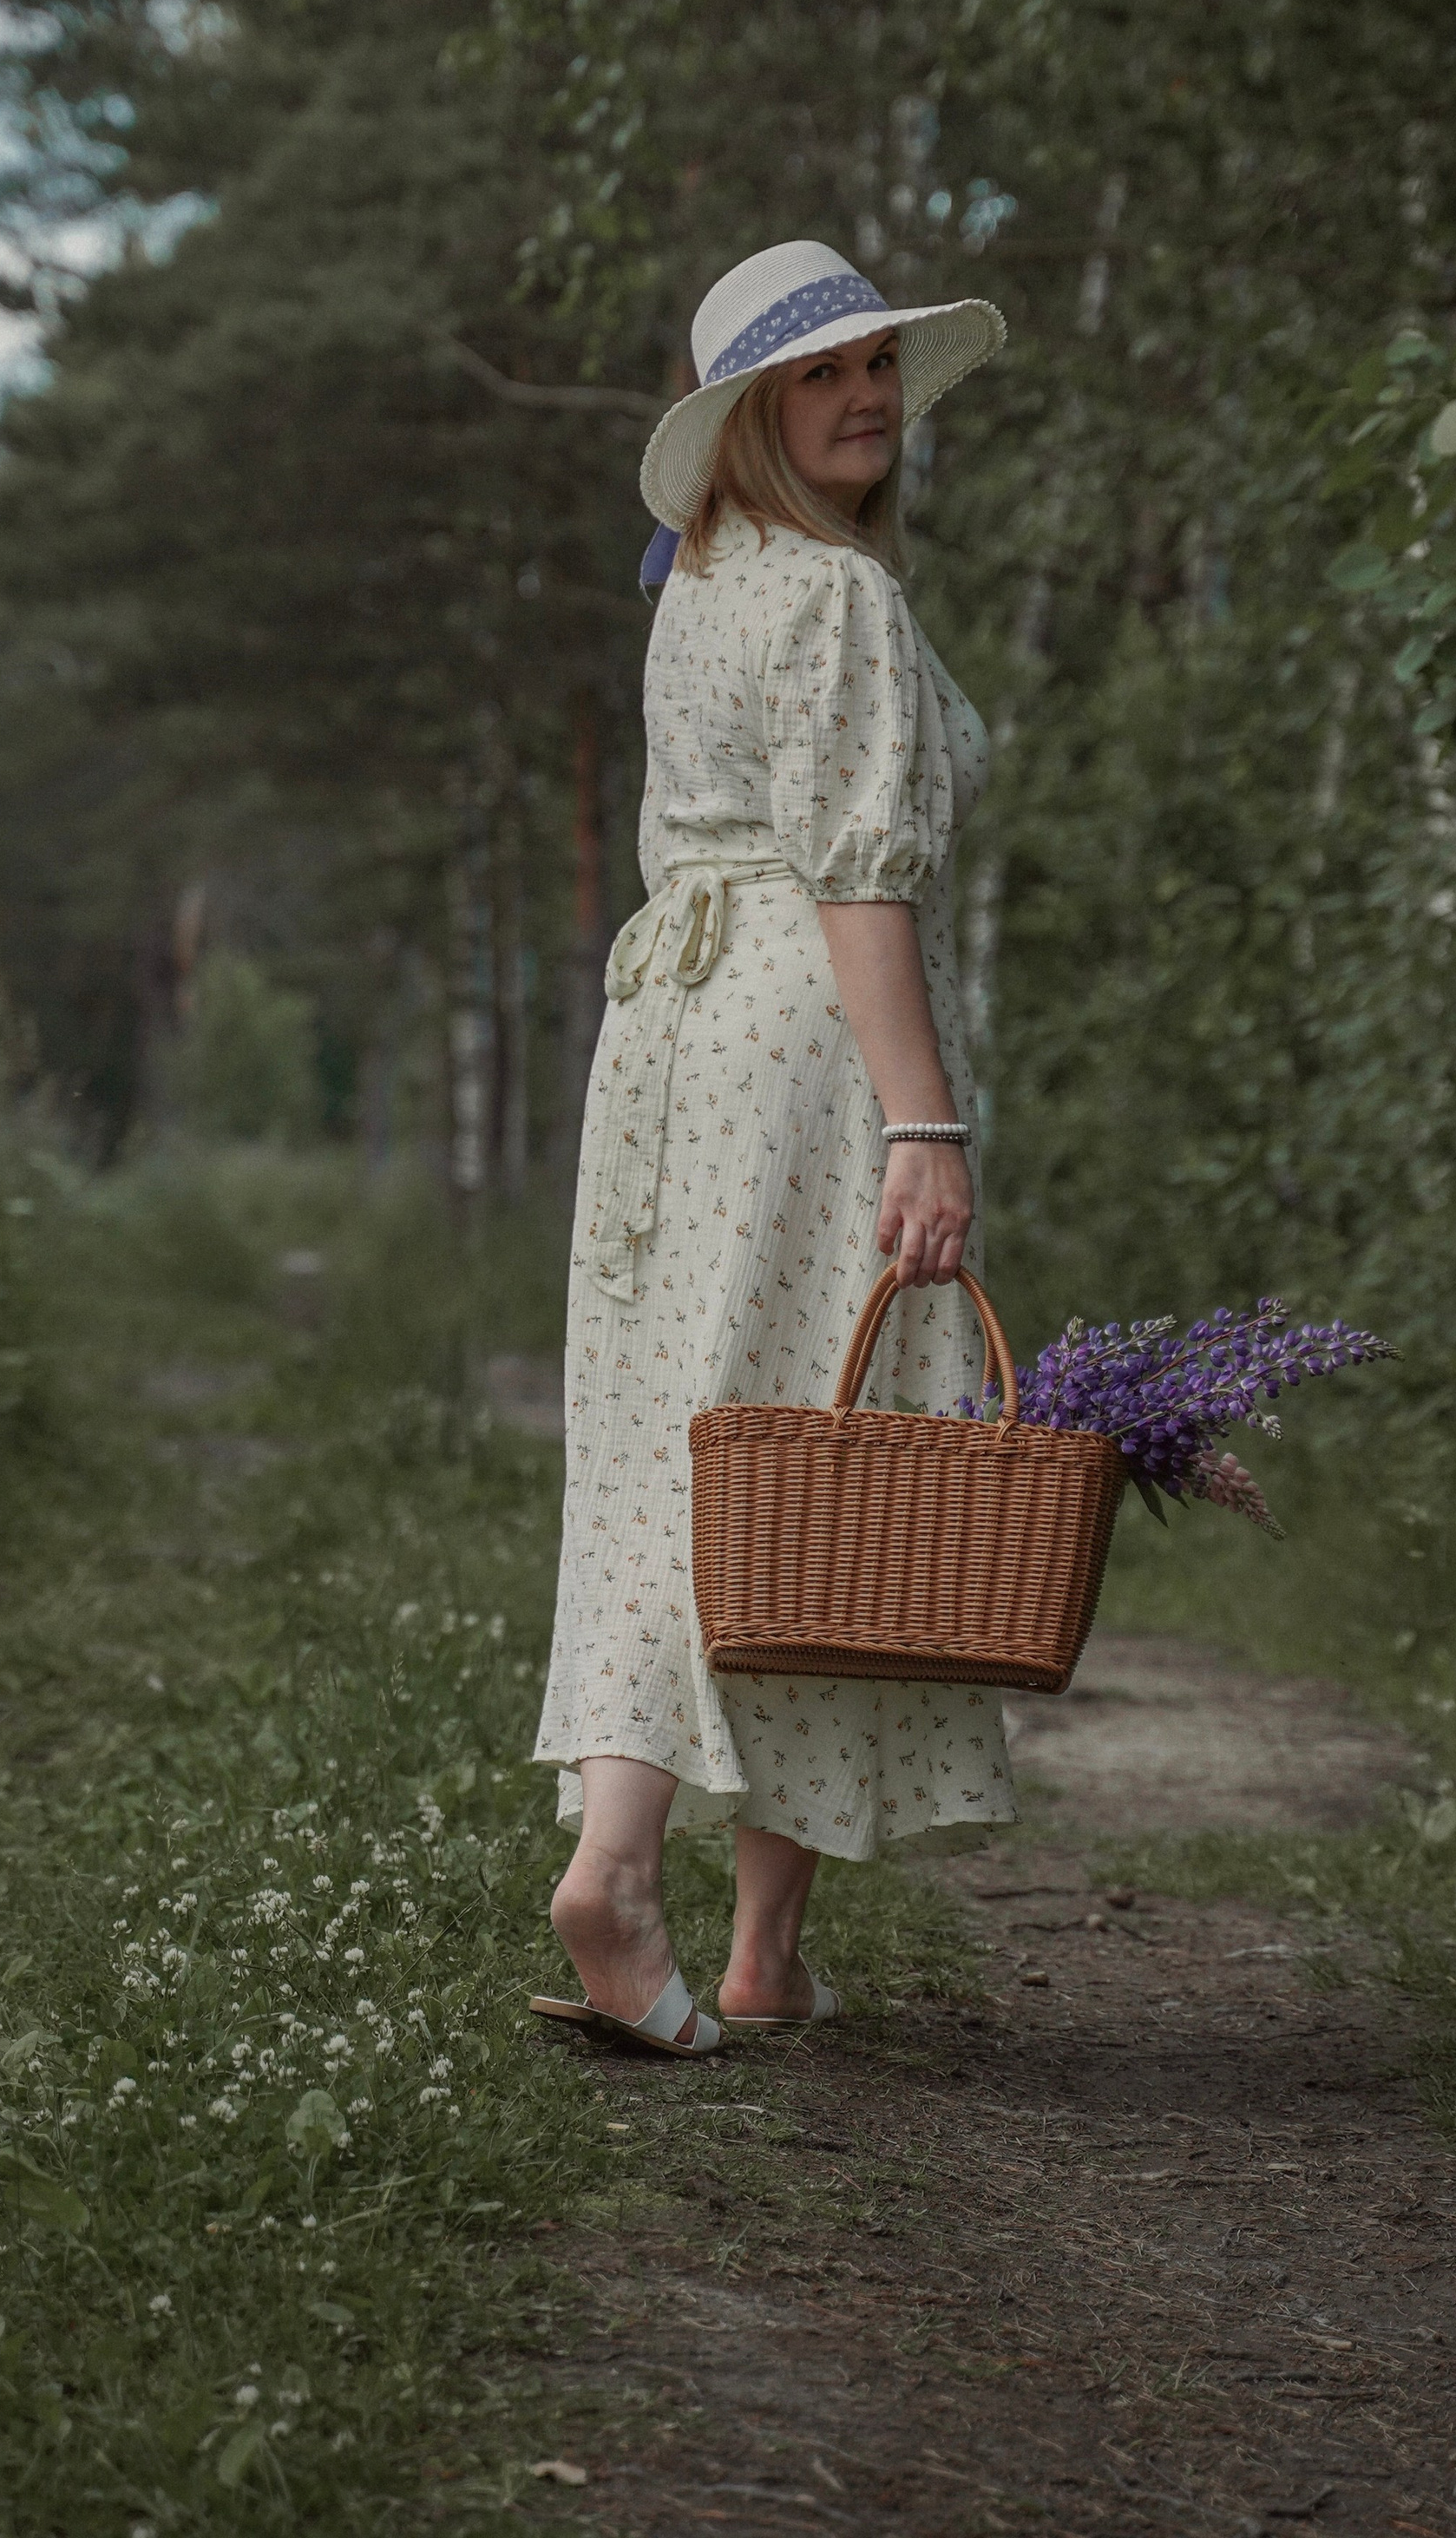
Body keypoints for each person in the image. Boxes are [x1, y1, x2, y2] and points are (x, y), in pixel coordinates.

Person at [530, 238, 1014, 2058]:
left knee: (706, 1447)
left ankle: (750, 1946)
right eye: (823, 374)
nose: (867, 395)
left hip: (670, 1034)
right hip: (806, 1041)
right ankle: (632, 1880)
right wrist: (921, 1118)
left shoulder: (708, 579)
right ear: (749, 412)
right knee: (822, 1454)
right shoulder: (833, 593)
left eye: (877, 364)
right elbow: (857, 876)